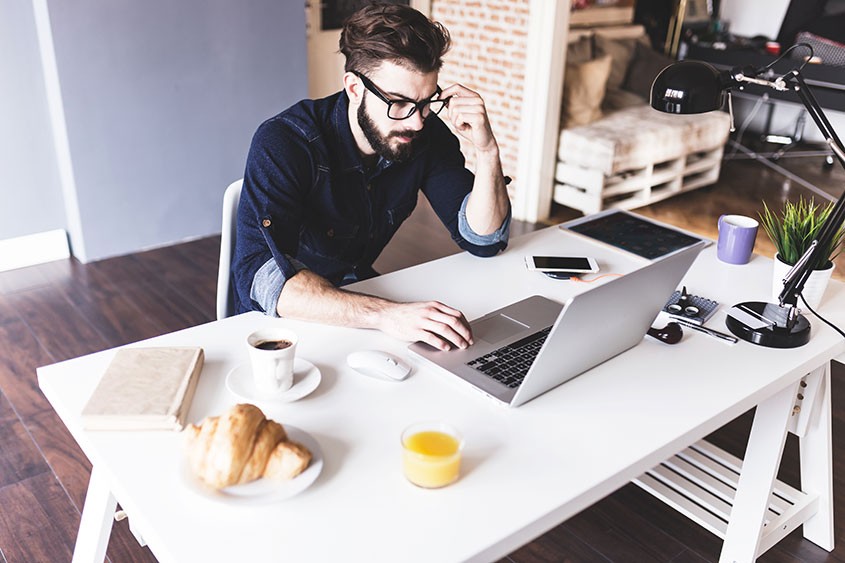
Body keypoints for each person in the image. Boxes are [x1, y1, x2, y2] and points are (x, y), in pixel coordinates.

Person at [232, 4, 511, 352]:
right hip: (279, 327)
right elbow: (262, 279)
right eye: (398, 102)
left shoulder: (424, 133)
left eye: (426, 102)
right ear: (354, 88)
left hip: (358, 301)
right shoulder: (286, 141)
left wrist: (487, 153)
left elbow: (484, 240)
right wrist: (386, 315)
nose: (416, 121)